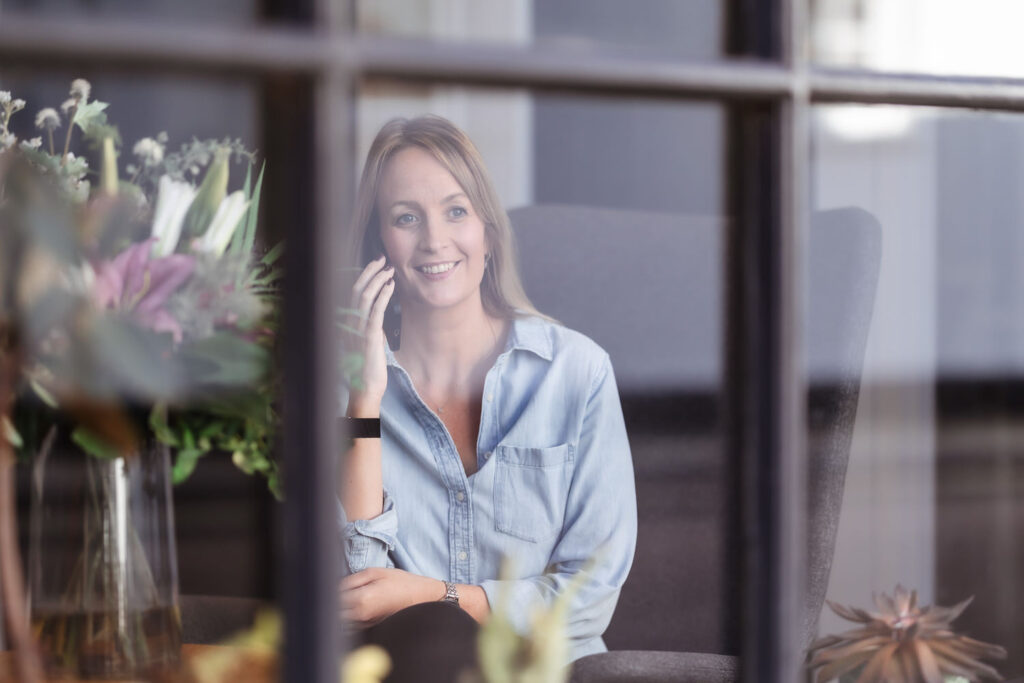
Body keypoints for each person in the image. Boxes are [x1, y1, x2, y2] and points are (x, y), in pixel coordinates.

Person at [337, 115, 637, 674]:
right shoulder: (345, 388)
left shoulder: (577, 372)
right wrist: (363, 401)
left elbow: (588, 600)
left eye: (456, 211)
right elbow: (358, 595)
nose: (434, 240)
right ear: (379, 244)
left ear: (488, 234)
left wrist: (438, 595)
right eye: (406, 218)